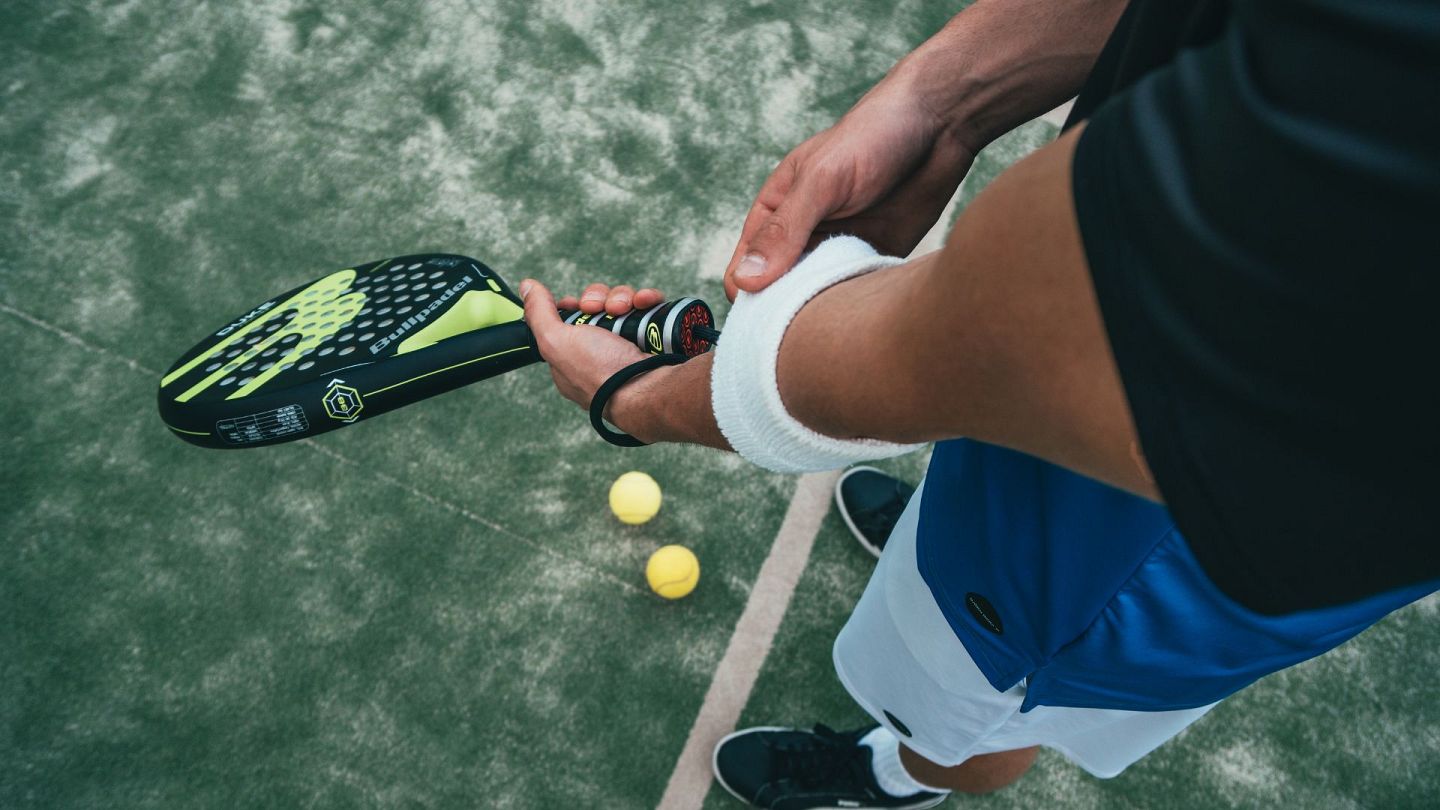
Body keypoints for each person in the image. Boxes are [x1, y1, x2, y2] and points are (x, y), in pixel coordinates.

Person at [520, 0, 1440, 806]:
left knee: (976, 708)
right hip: (1121, 414)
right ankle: (941, 543)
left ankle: (904, 773)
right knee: (966, 516)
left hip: (1140, 550)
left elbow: (995, 341)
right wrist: (940, 100)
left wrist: (636, 400)